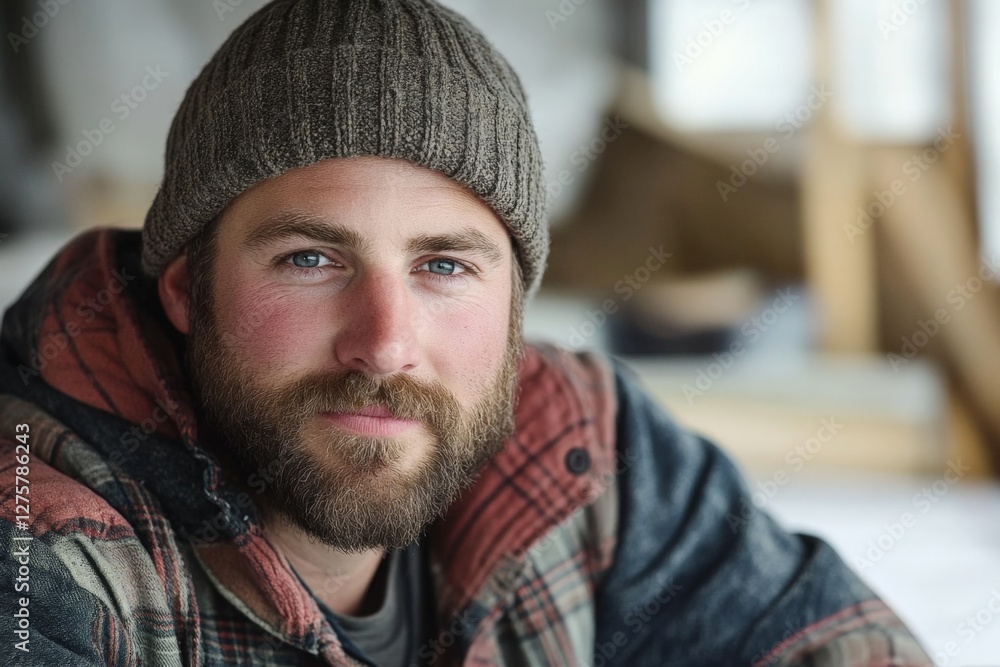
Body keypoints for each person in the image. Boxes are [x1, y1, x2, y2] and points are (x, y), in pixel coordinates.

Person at [0, 1, 930, 665]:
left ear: (516, 304)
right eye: (310, 259)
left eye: (444, 266)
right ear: (185, 290)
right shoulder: (44, 546)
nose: (385, 344)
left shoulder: (583, 448)